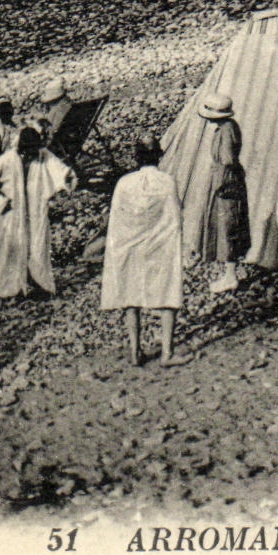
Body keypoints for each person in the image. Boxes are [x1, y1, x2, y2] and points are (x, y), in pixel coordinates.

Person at [101, 139, 190, 367]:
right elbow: (174, 216)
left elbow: (117, 220)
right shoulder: (167, 182)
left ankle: (134, 350)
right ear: (158, 157)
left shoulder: (124, 183)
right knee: (167, 293)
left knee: (132, 297)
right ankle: (167, 353)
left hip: (130, 246)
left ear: (136, 157)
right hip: (159, 245)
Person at [0, 127, 77, 298]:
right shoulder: (7, 160)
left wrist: (66, 180)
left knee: (38, 245)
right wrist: (0, 202)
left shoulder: (43, 155)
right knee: (9, 248)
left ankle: (40, 284)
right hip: (11, 212)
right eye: (29, 150)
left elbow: (61, 170)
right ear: (22, 149)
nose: (33, 153)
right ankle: (9, 289)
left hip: (35, 209)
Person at [188, 94, 248, 294]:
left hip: (226, 181)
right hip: (225, 179)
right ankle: (230, 271)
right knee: (226, 224)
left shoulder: (227, 130)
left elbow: (228, 159)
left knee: (228, 225)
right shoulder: (225, 128)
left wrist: (220, 181)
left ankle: (230, 275)